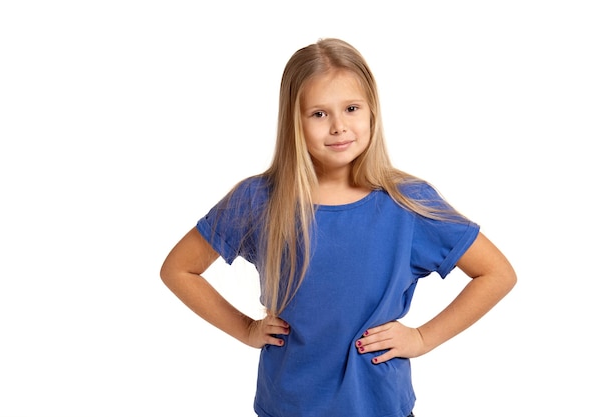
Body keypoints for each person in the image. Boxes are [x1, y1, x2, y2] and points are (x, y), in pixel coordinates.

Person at [160, 38, 517, 417]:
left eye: (351, 108)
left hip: (379, 406)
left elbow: (496, 273)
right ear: (293, 120)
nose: (338, 127)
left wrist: (423, 337)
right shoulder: (259, 200)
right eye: (318, 114)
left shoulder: (408, 203)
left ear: (372, 112)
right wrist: (246, 329)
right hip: (288, 407)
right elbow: (179, 269)